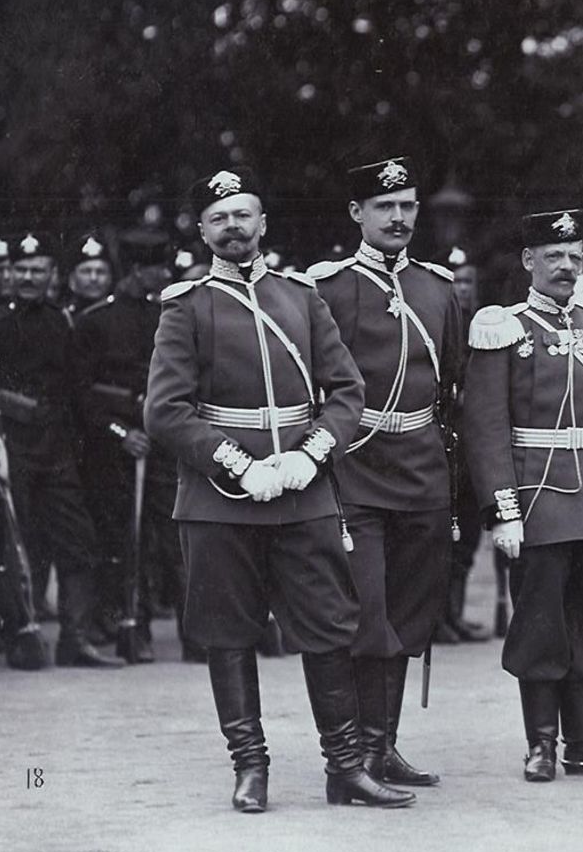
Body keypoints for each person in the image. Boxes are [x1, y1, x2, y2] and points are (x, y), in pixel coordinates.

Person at [145, 167, 411, 813]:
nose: (233, 226)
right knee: (228, 630)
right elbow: (166, 410)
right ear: (203, 231)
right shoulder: (186, 306)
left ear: (263, 223)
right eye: (219, 218)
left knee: (328, 626)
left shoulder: (301, 296)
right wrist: (238, 464)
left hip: (303, 490)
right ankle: (250, 767)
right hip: (219, 497)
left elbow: (347, 391)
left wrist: (312, 453)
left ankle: (345, 766)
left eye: (244, 214)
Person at [461, 208, 583, 782]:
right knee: (542, 621)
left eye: (575, 257)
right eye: (554, 257)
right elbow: (486, 426)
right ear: (529, 262)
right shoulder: (504, 327)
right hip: (536, 494)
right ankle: (541, 743)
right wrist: (502, 508)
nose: (567, 267)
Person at [306, 156, 466, 789]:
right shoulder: (326, 287)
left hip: (422, 469)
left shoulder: (437, 287)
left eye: (407, 206)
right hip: (355, 470)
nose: (399, 217)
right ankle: (349, 759)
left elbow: (451, 382)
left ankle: (381, 745)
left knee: (409, 613)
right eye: (384, 207)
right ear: (357, 214)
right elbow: (314, 383)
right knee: (365, 612)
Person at [0, 232, 123, 668]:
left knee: (78, 540)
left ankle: (75, 639)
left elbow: (75, 387)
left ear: (51, 276)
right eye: (20, 270)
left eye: (36, 270)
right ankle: (21, 637)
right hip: (13, 447)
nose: (26, 277)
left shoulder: (62, 322)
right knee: (17, 543)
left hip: (57, 450)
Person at [74, 232, 184, 663]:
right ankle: (128, 627)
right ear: (139, 270)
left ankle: (192, 633)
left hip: (162, 443)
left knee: (174, 536)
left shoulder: (168, 317)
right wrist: (122, 432)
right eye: (158, 269)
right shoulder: (95, 321)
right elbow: (82, 394)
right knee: (123, 539)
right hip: (114, 449)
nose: (164, 276)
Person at [435, 245, 494, 644]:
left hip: (474, 451)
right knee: (440, 539)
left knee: (469, 536)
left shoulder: (487, 329)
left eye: (468, 281)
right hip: (442, 449)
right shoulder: (437, 326)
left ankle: (454, 614)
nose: (462, 288)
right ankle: (436, 617)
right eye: (455, 281)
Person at [64, 232, 115, 318]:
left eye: (100, 272)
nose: (93, 278)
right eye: (86, 271)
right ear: (72, 278)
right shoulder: (63, 318)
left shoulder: (125, 316)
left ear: (110, 278)